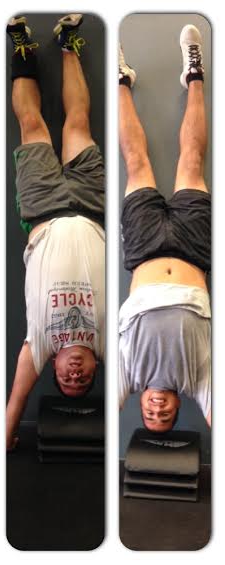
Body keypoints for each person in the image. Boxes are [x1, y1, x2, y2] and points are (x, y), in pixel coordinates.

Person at [4, 15, 105, 450]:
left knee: (32, 124)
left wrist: (6, 436)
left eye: (67, 382)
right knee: (78, 122)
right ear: (97, 370)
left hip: (43, 210)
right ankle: (68, 43)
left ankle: (20, 43)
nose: (75, 377)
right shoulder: (109, 340)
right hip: (89, 206)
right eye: (83, 383)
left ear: (55, 369)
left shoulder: (39, 347)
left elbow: (18, 396)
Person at [118, 26, 211, 433]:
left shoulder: (129, 376)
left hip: (143, 249)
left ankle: (121, 78)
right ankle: (195, 72)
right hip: (193, 249)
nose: (158, 408)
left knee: (136, 162)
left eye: (149, 414)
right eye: (166, 415)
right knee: (191, 161)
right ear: (177, 406)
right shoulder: (198, 382)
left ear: (138, 404)